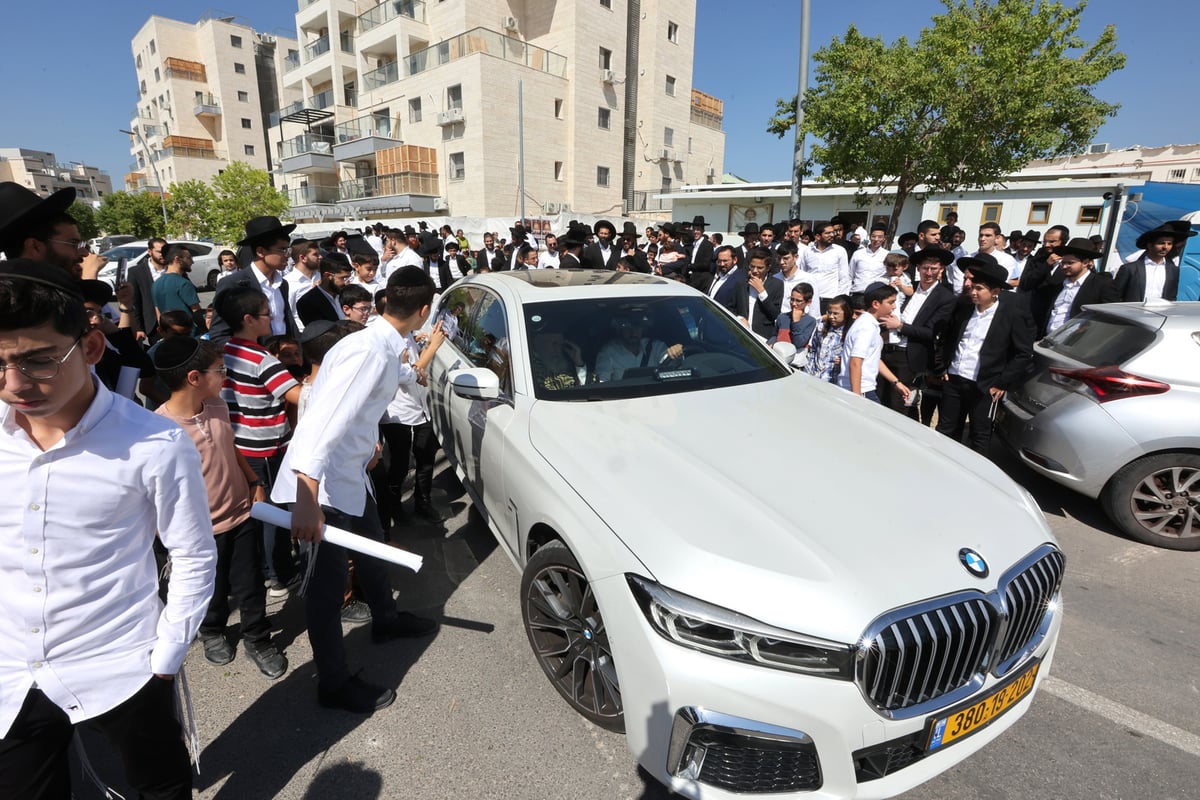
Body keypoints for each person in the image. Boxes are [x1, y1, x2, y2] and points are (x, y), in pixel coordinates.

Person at [0, 260, 216, 798]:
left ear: (92, 348)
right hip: (10, 672)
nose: (15, 385)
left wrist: (165, 658)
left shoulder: (154, 444)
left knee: (159, 787)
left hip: (121, 664)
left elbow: (191, 553)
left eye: (39, 361)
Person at [274, 266, 447, 713]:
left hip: (351, 473)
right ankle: (333, 681)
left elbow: (394, 380)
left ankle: (385, 619)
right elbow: (321, 422)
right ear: (423, 311)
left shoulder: (382, 344)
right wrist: (308, 497)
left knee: (372, 550)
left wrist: (422, 363)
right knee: (326, 591)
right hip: (322, 486)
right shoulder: (368, 351)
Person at [153, 337, 286, 680]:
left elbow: (230, 447)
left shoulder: (217, 406)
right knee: (212, 587)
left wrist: (254, 482)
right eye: (220, 370)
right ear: (194, 377)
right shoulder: (159, 429)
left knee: (250, 582)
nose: (225, 376)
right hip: (199, 529)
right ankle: (212, 631)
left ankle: (257, 637)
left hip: (241, 514)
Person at [217, 286, 304, 596]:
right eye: (268, 314)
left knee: (257, 510)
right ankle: (278, 574)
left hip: (242, 444)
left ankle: (269, 569)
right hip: (266, 448)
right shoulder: (261, 358)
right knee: (273, 512)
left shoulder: (225, 350)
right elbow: (296, 396)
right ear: (249, 319)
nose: (272, 319)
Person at [937, 254, 1035, 456]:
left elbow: (1023, 353)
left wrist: (1001, 382)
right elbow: (947, 337)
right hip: (954, 379)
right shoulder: (964, 308)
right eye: (972, 287)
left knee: (979, 434)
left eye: (979, 289)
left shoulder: (1010, 315)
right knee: (946, 429)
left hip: (983, 386)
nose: (973, 292)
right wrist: (944, 366)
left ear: (995, 292)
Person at [879, 248, 957, 419]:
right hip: (886, 349)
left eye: (933, 269)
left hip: (908, 357)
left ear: (941, 270)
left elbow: (931, 332)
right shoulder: (909, 289)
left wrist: (899, 326)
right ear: (918, 268)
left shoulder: (945, 297)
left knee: (899, 403)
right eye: (925, 268)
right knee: (880, 397)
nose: (929, 273)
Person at [207, 216, 300, 345]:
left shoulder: (282, 284)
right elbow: (219, 334)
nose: (287, 255)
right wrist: (254, 356)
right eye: (282, 250)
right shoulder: (233, 284)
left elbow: (287, 322)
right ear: (261, 251)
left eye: (288, 249)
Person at [837, 283, 910, 404]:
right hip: (860, 390)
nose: (894, 306)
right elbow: (855, 361)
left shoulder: (871, 324)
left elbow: (873, 358)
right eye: (890, 302)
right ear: (876, 304)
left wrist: (896, 382)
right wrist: (857, 398)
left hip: (865, 388)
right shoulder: (866, 327)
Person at [1032, 237, 1118, 336]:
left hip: (1078, 343)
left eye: (1070, 263)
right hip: (1048, 338)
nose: (1064, 267)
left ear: (1085, 263)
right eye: (1063, 263)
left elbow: (1111, 317)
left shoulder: (1102, 284)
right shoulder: (1057, 284)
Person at [1113, 224, 1193, 302]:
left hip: (1159, 314)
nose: (1165, 247)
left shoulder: (1173, 270)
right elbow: (1115, 296)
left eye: (1169, 244)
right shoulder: (1129, 269)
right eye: (1161, 243)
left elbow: (1171, 297)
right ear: (1150, 245)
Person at [594, 314, 684, 381]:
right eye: (628, 328)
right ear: (619, 330)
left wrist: (677, 353)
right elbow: (602, 382)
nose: (633, 332)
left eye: (637, 327)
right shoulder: (608, 353)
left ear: (643, 329)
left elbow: (672, 367)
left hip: (657, 397)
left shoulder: (656, 346)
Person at [734, 248, 784, 340]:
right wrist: (740, 318)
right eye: (752, 266)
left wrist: (762, 292)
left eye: (760, 268)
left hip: (762, 337)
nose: (755, 271)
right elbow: (731, 306)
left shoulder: (777, 284)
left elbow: (774, 314)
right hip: (741, 332)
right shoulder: (741, 283)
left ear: (768, 267)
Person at [798, 221, 850, 306]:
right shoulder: (808, 252)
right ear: (817, 236)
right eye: (828, 233)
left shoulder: (840, 251)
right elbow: (803, 275)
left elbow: (844, 278)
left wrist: (839, 300)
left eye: (832, 232)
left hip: (831, 299)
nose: (832, 235)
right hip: (811, 299)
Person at [151, 243, 203, 327]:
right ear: (177, 259)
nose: (192, 262)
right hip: (188, 333)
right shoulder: (183, 283)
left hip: (169, 333)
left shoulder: (156, 284)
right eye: (189, 258)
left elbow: (158, 314)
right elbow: (197, 312)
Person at [804, 295, 853, 384]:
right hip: (814, 377)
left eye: (836, 313)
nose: (831, 316)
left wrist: (844, 360)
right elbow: (813, 352)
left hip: (833, 381)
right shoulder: (821, 328)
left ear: (847, 313)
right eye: (829, 313)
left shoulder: (850, 333)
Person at [529, 316, 587, 391]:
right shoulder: (528, 370)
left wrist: (579, 364)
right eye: (553, 343)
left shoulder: (565, 366)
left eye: (560, 343)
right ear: (539, 344)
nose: (557, 348)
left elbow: (588, 389)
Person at [298, 258, 352, 326]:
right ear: (327, 276)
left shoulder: (348, 296)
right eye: (343, 278)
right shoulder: (308, 303)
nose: (346, 283)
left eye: (349, 278)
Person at [773, 283, 817, 358]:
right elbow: (775, 335)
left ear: (808, 302)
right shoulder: (782, 317)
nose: (793, 303)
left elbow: (798, 343)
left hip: (794, 361)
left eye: (798, 301)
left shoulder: (810, 321)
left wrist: (796, 322)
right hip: (778, 357)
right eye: (792, 299)